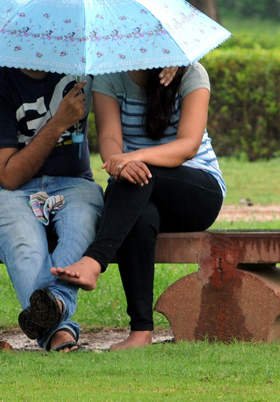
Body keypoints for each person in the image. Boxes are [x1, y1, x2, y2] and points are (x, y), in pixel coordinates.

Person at [51, 62, 226, 350]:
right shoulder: (110, 77)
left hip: (196, 191)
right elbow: (109, 139)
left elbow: (189, 146)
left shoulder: (191, 73)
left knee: (138, 176)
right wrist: (119, 164)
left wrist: (133, 159)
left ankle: (94, 261)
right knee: (138, 211)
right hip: (137, 191)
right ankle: (141, 331)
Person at [0, 66, 103, 352]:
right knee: (27, 246)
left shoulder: (82, 72)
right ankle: (58, 330)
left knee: (79, 227)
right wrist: (58, 123)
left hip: (75, 185)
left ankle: (54, 305)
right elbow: (8, 176)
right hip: (8, 192)